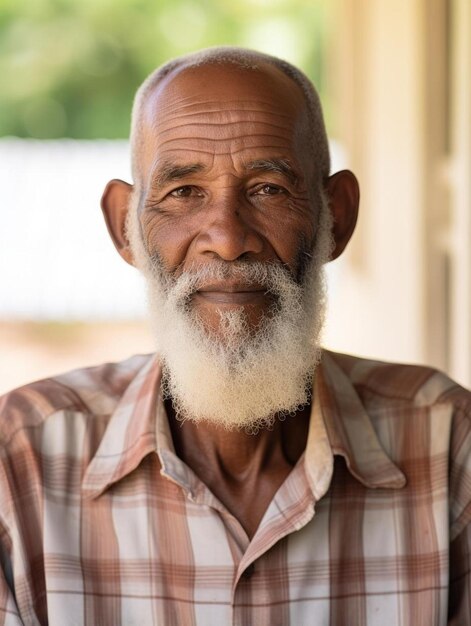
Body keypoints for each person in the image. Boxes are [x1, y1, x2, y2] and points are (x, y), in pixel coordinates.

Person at [0, 47, 470, 626]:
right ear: (125, 227)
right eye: (183, 192)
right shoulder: (20, 463)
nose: (226, 239)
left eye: (268, 188)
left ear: (336, 217)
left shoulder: (448, 445)